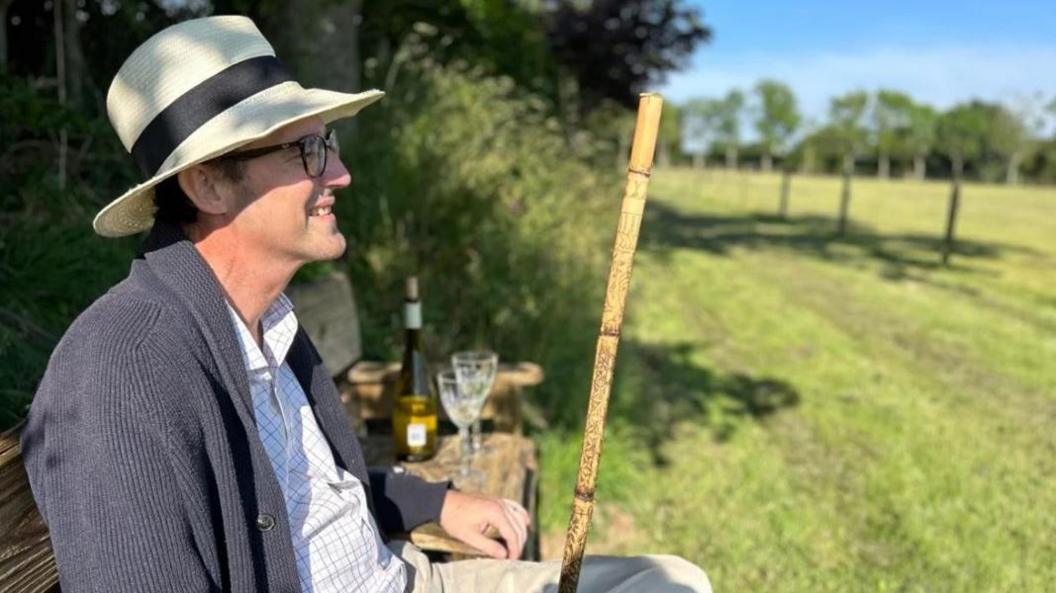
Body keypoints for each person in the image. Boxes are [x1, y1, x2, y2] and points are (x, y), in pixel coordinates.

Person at [20, 15, 710, 593]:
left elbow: (309, 492)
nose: (340, 174)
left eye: (329, 145)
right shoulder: (119, 376)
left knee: (667, 578)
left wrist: (433, 501)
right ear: (208, 184)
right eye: (306, 152)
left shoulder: (271, 321)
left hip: (404, 575)